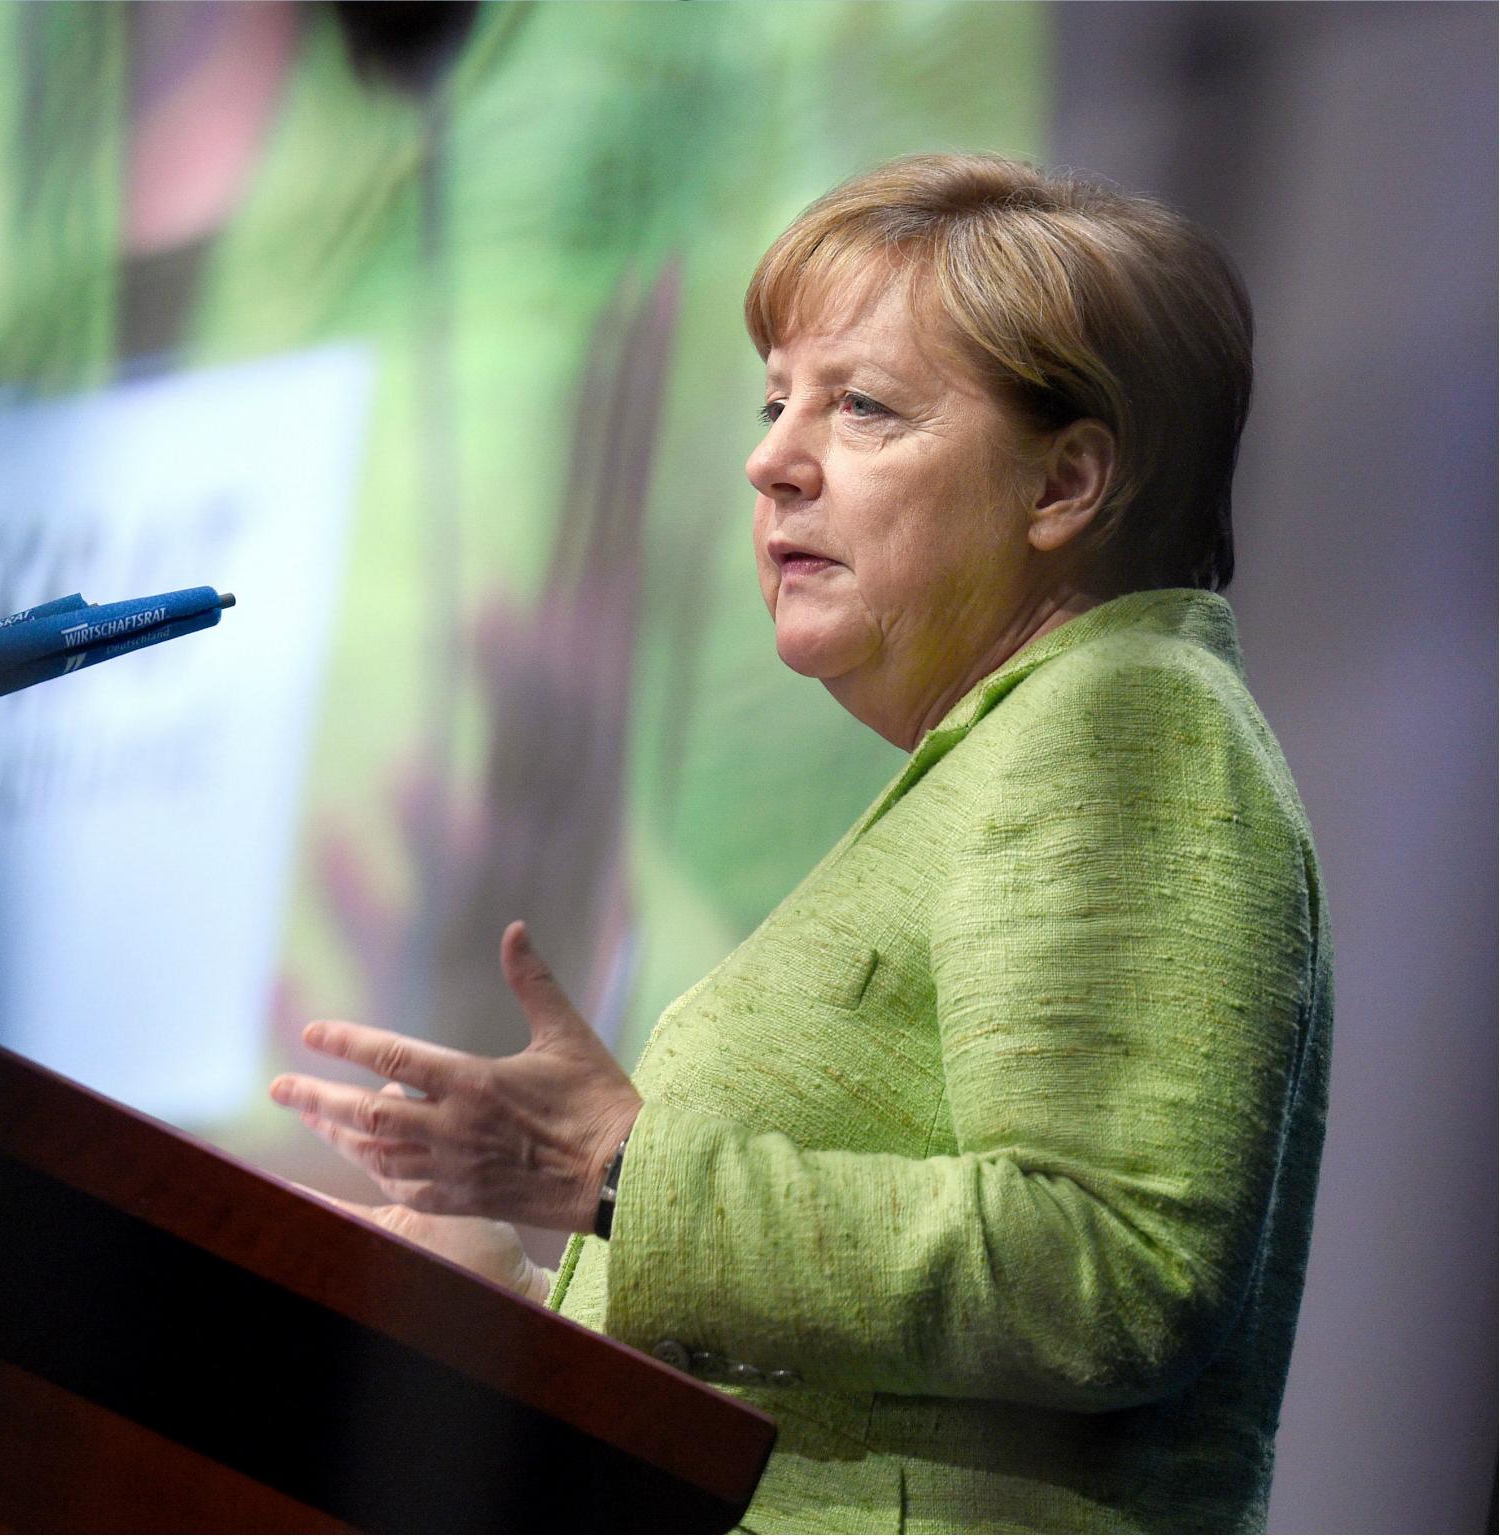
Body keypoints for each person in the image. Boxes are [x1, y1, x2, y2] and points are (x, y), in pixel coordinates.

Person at [270, 153, 1331, 1534]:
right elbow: (847, 1391)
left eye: (866, 408)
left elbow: (1114, 1269)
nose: (772, 458)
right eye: (778, 402)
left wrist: (615, 1179)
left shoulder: (1127, 720)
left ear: (1065, 481)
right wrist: (532, 1314)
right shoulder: (1013, 751)